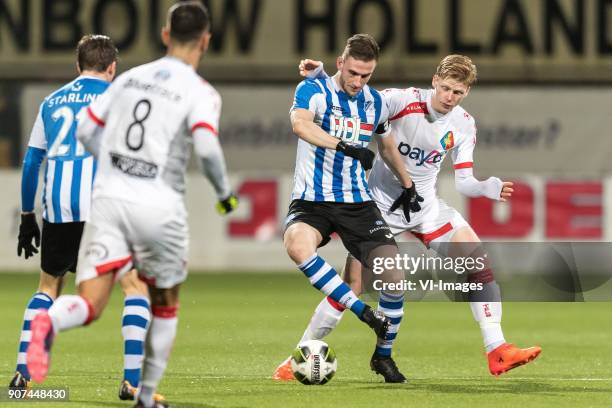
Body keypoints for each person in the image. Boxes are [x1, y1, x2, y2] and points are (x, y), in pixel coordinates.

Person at [274, 55, 541, 381]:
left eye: (457, 92)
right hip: (380, 206)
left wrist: (487, 187)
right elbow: (351, 96)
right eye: (444, 88)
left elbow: (464, 181)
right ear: (434, 80)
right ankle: (297, 355)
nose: (448, 97)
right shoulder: (397, 101)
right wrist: (320, 75)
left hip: (425, 207)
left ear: (466, 92)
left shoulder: (464, 124)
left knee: (477, 263)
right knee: (353, 285)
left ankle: (496, 349)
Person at [25, 2, 237, 407]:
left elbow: (87, 130)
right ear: (206, 41)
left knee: (90, 302)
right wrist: (224, 194)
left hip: (109, 200)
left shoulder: (128, 80)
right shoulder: (200, 91)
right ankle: (144, 394)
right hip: (158, 205)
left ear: (164, 35)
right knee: (161, 300)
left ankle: (47, 322)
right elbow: (208, 149)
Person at [9, 34, 162, 402]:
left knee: (48, 288)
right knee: (135, 287)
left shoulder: (51, 100)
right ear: (112, 67)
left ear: (77, 66)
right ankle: (131, 381)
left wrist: (28, 214)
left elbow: (32, 162)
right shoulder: (121, 99)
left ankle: (22, 376)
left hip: (59, 207)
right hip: (105, 208)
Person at [284, 33, 424, 383]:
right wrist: (344, 145)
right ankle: (363, 311)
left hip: (358, 203)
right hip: (313, 199)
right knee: (296, 245)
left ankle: (383, 356)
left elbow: (388, 146)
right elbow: (300, 125)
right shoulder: (314, 90)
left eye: (366, 75)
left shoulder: (374, 102)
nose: (358, 82)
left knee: (394, 276)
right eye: (354, 74)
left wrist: (408, 184)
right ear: (340, 64)